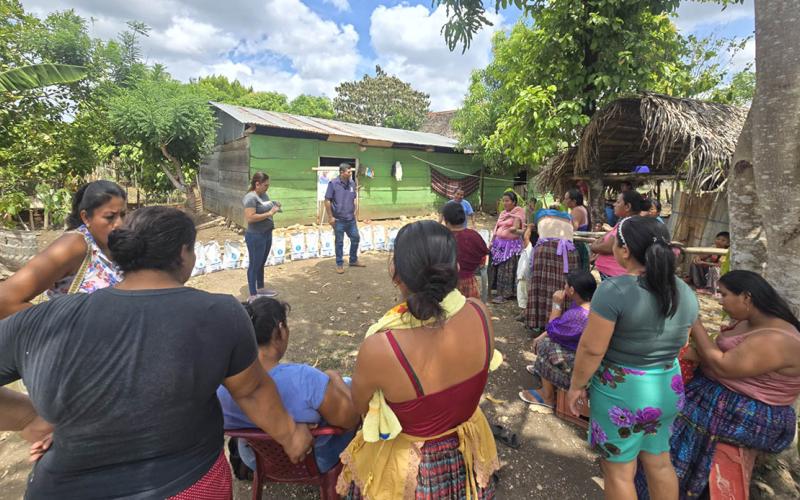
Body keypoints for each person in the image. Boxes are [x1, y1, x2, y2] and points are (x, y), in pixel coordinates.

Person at [0, 206, 312, 498]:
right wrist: (291, 436)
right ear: (183, 253)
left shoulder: (43, 318)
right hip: (183, 485)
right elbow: (253, 391)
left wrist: (31, 417)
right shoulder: (219, 313)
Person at [337, 221, 499, 499]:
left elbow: (361, 407)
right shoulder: (479, 312)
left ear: (395, 273)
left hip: (411, 469)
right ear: (455, 269)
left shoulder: (381, 347)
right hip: (467, 449)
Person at [566, 216, 699, 500]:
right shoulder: (684, 291)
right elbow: (682, 342)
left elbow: (592, 348)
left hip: (622, 392)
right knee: (660, 461)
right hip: (666, 386)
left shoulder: (614, 290)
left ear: (624, 250)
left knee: (619, 470)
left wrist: (576, 385)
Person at [641, 271, 800, 498]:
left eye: (724, 294)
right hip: (720, 394)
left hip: (748, 413)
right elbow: (714, 355)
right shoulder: (749, 321)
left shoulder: (777, 339)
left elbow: (723, 365)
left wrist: (693, 319)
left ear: (746, 297)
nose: (720, 300)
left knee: (671, 439)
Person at [217, 297, 359, 474]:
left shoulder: (221, 383)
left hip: (255, 459)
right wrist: (335, 378)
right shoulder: (305, 379)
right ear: (281, 331)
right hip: (314, 460)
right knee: (348, 384)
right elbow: (351, 419)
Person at [0, 180, 126, 320]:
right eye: (110, 217)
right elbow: (4, 300)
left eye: (123, 215)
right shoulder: (74, 245)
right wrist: (63, 326)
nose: (119, 224)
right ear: (86, 217)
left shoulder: (112, 247)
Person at [520, 271, 597, 408]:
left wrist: (556, 304)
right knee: (545, 340)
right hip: (585, 355)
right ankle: (541, 370)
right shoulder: (590, 305)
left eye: (566, 285)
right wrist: (543, 334)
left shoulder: (578, 315)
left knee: (545, 346)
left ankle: (547, 396)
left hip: (581, 363)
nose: (564, 287)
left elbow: (552, 329)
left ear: (572, 290)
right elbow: (557, 328)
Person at [525, 207, 579, 332]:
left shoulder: (540, 215)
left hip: (546, 250)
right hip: (569, 252)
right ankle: (565, 321)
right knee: (564, 284)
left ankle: (540, 321)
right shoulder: (568, 218)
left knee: (543, 284)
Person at [243, 172, 280, 300]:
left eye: (268, 185)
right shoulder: (250, 198)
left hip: (266, 233)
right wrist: (270, 213)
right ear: (257, 184)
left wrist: (275, 205)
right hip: (255, 236)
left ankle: (261, 288)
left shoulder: (263, 195)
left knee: (261, 263)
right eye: (265, 185)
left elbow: (265, 206)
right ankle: (253, 294)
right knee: (254, 264)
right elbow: (250, 218)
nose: (267, 188)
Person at [591, 190, 642, 280]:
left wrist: (594, 246)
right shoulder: (624, 223)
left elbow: (607, 247)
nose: (614, 205)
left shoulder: (628, 225)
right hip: (612, 274)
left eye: (618, 202)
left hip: (615, 275)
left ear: (627, 206)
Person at [441, 202, 488, 299]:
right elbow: (483, 257)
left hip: (446, 287)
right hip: (470, 285)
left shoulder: (442, 238)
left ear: (446, 220)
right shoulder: (474, 235)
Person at [325, 163, 364, 274]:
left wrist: (355, 210)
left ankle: (353, 260)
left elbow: (353, 198)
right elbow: (327, 200)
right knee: (339, 242)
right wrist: (330, 217)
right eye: (348, 171)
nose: (350, 173)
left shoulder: (352, 183)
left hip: (350, 219)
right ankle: (339, 264)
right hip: (338, 220)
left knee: (356, 238)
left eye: (351, 171)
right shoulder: (333, 183)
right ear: (342, 172)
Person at [489, 191, 526, 304]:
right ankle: (498, 291)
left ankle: (505, 294)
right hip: (499, 245)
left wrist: (513, 230)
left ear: (514, 202)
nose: (504, 203)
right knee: (498, 268)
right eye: (503, 200)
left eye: (507, 201)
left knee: (506, 269)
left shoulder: (518, 212)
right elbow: (497, 227)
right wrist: (492, 241)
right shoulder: (503, 213)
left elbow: (520, 230)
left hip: (510, 246)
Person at [564, 188, 591, 271]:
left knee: (577, 272)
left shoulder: (577, 210)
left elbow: (572, 228)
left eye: (566, 199)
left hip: (579, 245)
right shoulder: (581, 208)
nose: (564, 201)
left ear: (573, 201)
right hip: (581, 244)